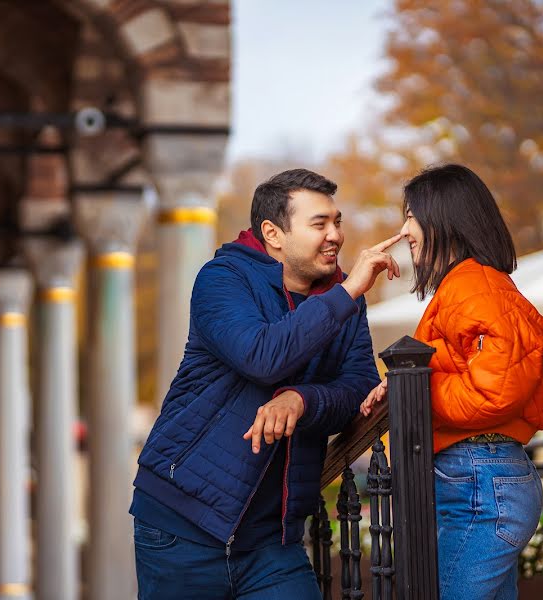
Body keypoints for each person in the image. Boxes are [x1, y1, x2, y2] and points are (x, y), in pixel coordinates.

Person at [131, 169, 399, 599]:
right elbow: (262, 356)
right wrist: (347, 293)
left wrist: (303, 400)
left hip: (273, 543)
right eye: (319, 224)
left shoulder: (342, 298)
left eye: (337, 221)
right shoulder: (222, 279)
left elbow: (358, 387)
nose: (335, 235)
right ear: (273, 233)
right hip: (181, 526)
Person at [361, 164, 543, 600]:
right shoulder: (470, 287)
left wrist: (413, 389)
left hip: (481, 484)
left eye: (412, 215)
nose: (405, 230)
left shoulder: (477, 288)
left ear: (443, 218)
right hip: (481, 481)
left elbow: (494, 391)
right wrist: (404, 384)